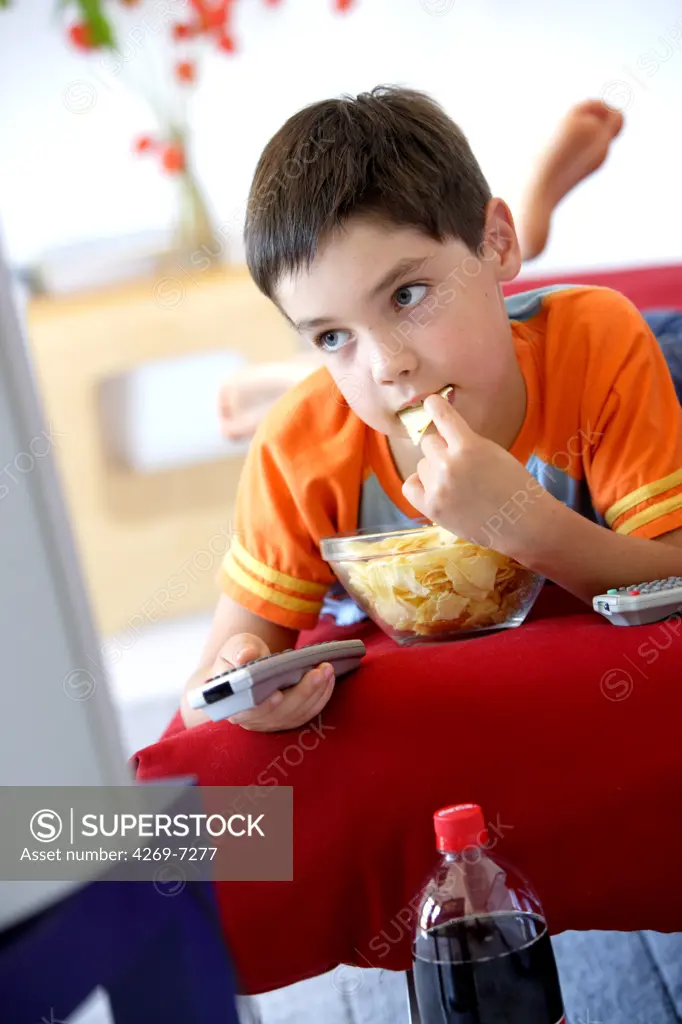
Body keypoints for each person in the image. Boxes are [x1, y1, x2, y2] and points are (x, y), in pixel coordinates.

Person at [182, 86, 682, 732]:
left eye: (408, 293)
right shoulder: (298, 450)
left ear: (492, 244)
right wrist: (245, 687)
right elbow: (204, 692)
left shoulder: (598, 343)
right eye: (331, 336)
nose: (386, 365)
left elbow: (671, 575)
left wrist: (524, 524)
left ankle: (526, 226)